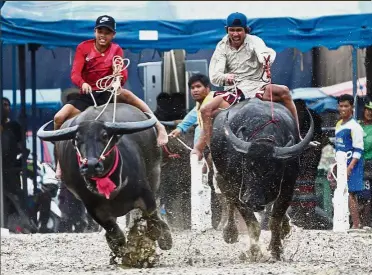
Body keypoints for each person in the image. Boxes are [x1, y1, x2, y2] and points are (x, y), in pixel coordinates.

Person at [53, 15, 168, 179]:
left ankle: (159, 126)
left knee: (128, 95)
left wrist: (117, 80)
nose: (103, 35)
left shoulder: (116, 50)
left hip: (108, 91)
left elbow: (121, 71)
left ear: (112, 35)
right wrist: (82, 83)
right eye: (100, 31)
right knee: (59, 117)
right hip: (87, 94)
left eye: (107, 32)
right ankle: (59, 161)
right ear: (95, 31)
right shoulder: (83, 48)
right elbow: (75, 74)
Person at [191, 12, 302, 159]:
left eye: (239, 30)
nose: (235, 34)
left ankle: (298, 136)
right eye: (232, 30)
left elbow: (266, 53)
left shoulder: (255, 41)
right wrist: (226, 77)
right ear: (227, 30)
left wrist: (265, 60)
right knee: (206, 110)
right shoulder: (222, 47)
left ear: (246, 30)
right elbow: (215, 77)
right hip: (235, 91)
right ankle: (212, 150)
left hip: (258, 88)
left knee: (285, 92)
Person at [335, 94, 364, 229]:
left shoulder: (355, 127)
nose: (343, 109)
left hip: (353, 164)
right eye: (341, 106)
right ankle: (343, 223)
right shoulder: (338, 124)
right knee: (341, 193)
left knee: (351, 193)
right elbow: (338, 147)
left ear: (352, 107)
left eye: (346, 106)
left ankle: (356, 225)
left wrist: (349, 168)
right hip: (341, 163)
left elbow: (358, 150)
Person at [357, 99, 372, 227]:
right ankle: (358, 222)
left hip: (370, 163)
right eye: (368, 109)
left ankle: (367, 223)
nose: (369, 113)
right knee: (361, 194)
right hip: (359, 163)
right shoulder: (358, 126)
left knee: (368, 196)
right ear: (364, 110)